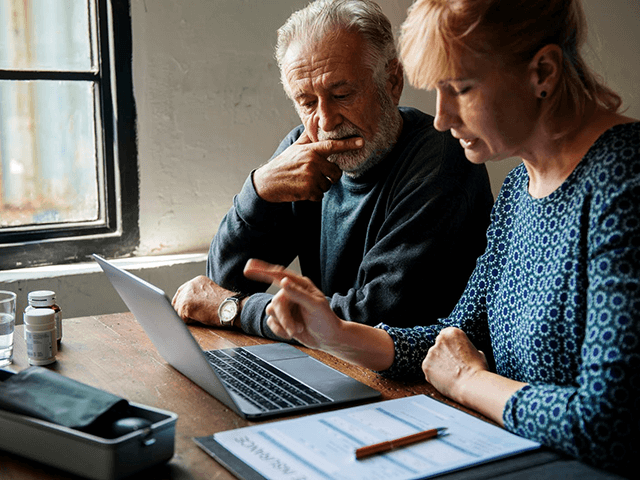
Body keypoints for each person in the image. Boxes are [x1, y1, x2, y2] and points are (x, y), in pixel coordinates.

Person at [243, 0, 640, 474]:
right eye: (437, 91)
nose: (441, 118)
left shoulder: (626, 184)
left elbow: (610, 424)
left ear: (544, 72)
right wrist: (336, 333)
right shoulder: (519, 187)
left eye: (461, 89)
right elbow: (458, 335)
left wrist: (470, 382)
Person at [172, 0, 493, 339]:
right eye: (307, 103)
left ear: (392, 82)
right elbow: (224, 281)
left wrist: (236, 311)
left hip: (414, 380)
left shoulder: (441, 161)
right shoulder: (305, 150)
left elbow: (375, 319)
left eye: (341, 95)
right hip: (333, 364)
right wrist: (259, 188)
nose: (325, 120)